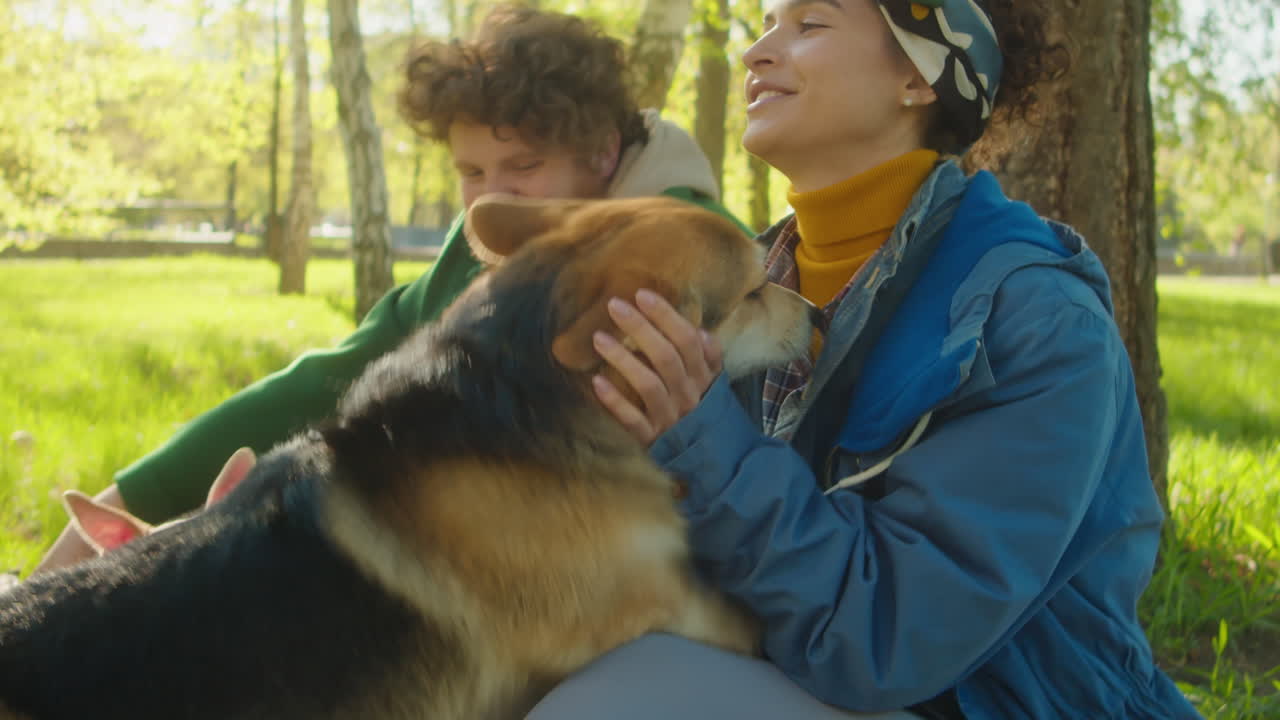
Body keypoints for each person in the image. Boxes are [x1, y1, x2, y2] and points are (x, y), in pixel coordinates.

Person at [529, 0, 1203, 718]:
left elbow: (888, 637)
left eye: (809, 24)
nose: (756, 53)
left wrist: (700, 447)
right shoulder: (746, 283)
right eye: (765, 23)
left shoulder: (1036, 321)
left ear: (919, 76)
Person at [34, 4, 744, 572]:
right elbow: (334, 376)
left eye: (523, 166)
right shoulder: (487, 245)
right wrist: (131, 495)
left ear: (603, 153)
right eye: (471, 172)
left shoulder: (700, 258)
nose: (491, 198)